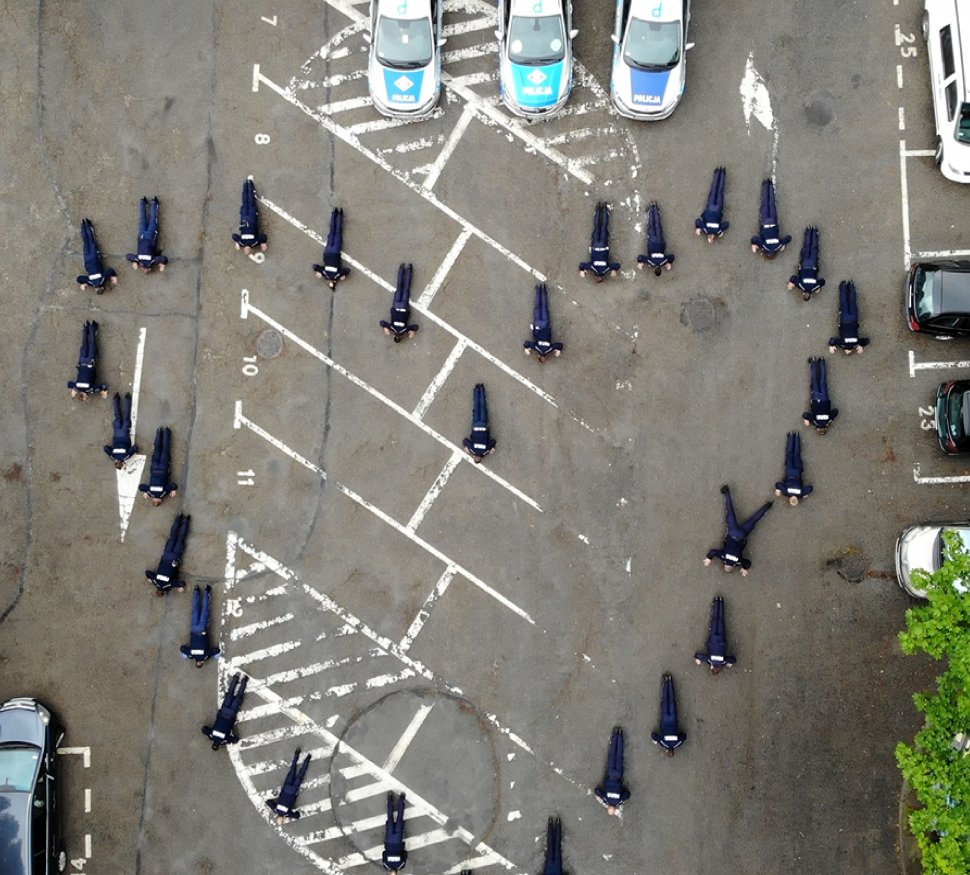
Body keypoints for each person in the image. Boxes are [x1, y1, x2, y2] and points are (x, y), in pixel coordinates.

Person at [704, 484, 772, 575]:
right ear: (725, 564)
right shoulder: (723, 556)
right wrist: (709, 558)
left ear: (733, 567)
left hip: (742, 536)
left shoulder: (738, 561)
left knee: (754, 520)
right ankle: (726, 492)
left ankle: (768, 506)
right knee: (730, 512)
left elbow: (748, 563)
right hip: (732, 532)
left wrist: (744, 569)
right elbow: (713, 552)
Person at [145, 513, 190, 594]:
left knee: (181, 539)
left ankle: (186, 520)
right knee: (172, 536)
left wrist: (180, 587)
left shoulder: (168, 585)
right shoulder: (155, 581)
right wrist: (149, 579)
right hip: (166, 555)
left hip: (175, 558)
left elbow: (181, 583)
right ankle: (179, 518)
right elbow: (147, 572)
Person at [202, 672, 247, 749]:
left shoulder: (223, 740)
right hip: (223, 712)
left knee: (238, 697)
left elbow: (235, 740)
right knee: (230, 693)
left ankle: (244, 680)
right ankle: (236, 677)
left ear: (219, 745)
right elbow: (204, 729)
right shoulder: (211, 736)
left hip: (231, 716)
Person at [266, 748, 312, 823]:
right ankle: (296, 754)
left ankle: (307, 759)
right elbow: (268, 802)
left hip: (293, 791)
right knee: (292, 771)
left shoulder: (287, 813)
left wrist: (288, 815)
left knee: (301, 775)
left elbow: (297, 815)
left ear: (283, 819)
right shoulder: (276, 809)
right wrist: (275, 807)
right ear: (277, 816)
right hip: (286, 788)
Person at [578, 202, 620, 282]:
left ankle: (603, 209)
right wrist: (582, 270)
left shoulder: (605, 269)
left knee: (602, 227)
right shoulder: (592, 268)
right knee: (598, 227)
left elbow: (617, 265)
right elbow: (582, 265)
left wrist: (613, 270)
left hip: (602, 246)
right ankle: (599, 210)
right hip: (596, 246)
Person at [125, 196, 168, 273]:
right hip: (142, 237)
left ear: (150, 268)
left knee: (153, 220)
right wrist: (134, 262)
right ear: (141, 267)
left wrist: (163, 264)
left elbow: (163, 259)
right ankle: (142, 202)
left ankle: (154, 202)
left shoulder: (152, 261)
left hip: (150, 237)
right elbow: (128, 256)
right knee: (142, 219)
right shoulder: (138, 259)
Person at [180, 585, 220, 666]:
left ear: (201, 662)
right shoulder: (192, 654)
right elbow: (182, 648)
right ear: (195, 662)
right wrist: (187, 656)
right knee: (195, 609)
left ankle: (206, 590)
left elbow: (216, 650)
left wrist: (215, 656)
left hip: (202, 630)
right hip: (194, 630)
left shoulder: (205, 655)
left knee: (205, 609)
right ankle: (196, 590)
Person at [593, 727, 631, 815]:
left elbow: (627, 794)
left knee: (619, 756)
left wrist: (621, 801)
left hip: (618, 776)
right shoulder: (606, 799)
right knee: (612, 756)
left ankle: (620, 735)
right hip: (610, 775)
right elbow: (597, 791)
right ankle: (615, 735)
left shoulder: (619, 801)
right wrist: (602, 800)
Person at [750, 179, 792, 257]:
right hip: (765, 222)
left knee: (772, 204)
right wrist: (753, 244)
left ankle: (770, 184)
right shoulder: (764, 246)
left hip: (773, 222)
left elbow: (789, 238)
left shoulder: (777, 246)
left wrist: (783, 245)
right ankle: (766, 184)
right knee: (765, 204)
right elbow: (754, 238)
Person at [694, 596, 736, 673]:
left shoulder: (722, 661)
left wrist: (730, 663)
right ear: (712, 667)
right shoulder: (710, 660)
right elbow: (699, 655)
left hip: (721, 640)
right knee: (715, 621)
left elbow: (733, 659)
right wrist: (697, 659)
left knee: (720, 621)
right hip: (713, 640)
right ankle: (717, 601)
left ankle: (721, 602)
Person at [68, 321, 109, 400]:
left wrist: (104, 391)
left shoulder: (90, 389)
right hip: (82, 361)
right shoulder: (76, 386)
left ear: (85, 396)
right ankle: (86, 327)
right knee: (85, 344)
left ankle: (92, 327)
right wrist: (73, 390)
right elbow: (69, 384)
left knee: (92, 345)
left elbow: (103, 386)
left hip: (90, 361)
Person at [523, 283, 563, 361]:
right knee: (538, 307)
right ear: (538, 356)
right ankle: (538, 289)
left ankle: (543, 289)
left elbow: (560, 345)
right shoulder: (537, 348)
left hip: (546, 325)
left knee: (544, 307)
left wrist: (558, 350)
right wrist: (526, 349)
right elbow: (526, 343)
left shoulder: (549, 349)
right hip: (538, 326)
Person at [380, 264, 419, 342]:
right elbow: (382, 322)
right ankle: (403, 269)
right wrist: (385, 328)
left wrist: (413, 331)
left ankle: (407, 269)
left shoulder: (403, 330)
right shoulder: (396, 329)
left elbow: (415, 327)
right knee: (401, 288)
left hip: (400, 306)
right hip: (399, 306)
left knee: (404, 288)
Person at [829, 280, 870, 355]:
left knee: (852, 302)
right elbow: (832, 340)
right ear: (846, 350)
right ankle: (843, 286)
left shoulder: (856, 342)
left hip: (854, 320)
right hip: (844, 320)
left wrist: (861, 346)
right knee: (844, 302)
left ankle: (851, 285)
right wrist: (831, 346)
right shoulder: (842, 343)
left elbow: (867, 341)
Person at [76, 219, 118, 292]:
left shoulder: (102, 279)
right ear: (95, 289)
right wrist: (84, 284)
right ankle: (83, 226)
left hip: (95, 259)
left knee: (91, 241)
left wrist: (113, 276)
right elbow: (79, 278)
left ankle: (87, 225)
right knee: (86, 243)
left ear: (102, 288)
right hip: (87, 261)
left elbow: (110, 271)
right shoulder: (91, 282)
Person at [313, 207, 350, 289]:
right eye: (332, 284)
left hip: (328, 251)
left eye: (329, 284)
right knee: (337, 232)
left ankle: (334, 213)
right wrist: (343, 275)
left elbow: (315, 266)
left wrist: (317, 271)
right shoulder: (337, 276)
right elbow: (347, 270)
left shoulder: (325, 274)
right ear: (334, 282)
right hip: (335, 252)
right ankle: (340, 214)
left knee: (332, 231)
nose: (329, 282)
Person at [139, 426, 177, 505]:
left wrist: (174, 490)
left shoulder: (163, 493)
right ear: (153, 499)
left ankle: (166, 432)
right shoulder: (150, 492)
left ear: (160, 501)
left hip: (163, 469)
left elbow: (173, 485)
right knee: (157, 449)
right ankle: (159, 432)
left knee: (165, 450)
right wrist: (146, 492)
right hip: (154, 468)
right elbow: (141, 487)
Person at [650, 674, 686, 755]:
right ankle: (666, 682)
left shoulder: (677, 744)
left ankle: (669, 681)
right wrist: (655, 740)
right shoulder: (664, 743)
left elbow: (684, 736)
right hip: (665, 719)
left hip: (673, 719)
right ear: (667, 751)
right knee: (665, 701)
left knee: (672, 701)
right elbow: (654, 735)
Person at [775, 431, 813, 505]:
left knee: (797, 454)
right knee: (789, 454)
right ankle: (791, 436)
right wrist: (778, 490)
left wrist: (804, 495)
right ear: (789, 499)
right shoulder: (786, 492)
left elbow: (810, 488)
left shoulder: (800, 493)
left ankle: (797, 436)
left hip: (798, 472)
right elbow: (778, 484)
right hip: (789, 472)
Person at [637, 201, 675, 275]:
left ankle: (655, 208)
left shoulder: (663, 261)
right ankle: (651, 208)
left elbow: (672, 257)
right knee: (651, 226)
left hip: (660, 244)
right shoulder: (651, 262)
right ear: (654, 269)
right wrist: (640, 263)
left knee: (658, 227)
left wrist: (669, 263)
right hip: (652, 244)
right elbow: (640, 257)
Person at [232, 178, 268, 253]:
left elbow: (234, 236)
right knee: (251, 203)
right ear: (251, 249)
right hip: (252, 220)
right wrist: (263, 243)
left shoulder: (241, 242)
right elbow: (263, 236)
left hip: (244, 220)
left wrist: (237, 243)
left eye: (246, 250)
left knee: (245, 203)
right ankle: (250, 184)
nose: (247, 250)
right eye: (248, 250)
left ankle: (245, 184)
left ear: (244, 249)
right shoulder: (254, 243)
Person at [803, 357, 839, 434]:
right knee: (815, 380)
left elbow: (835, 411)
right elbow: (805, 415)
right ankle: (813, 362)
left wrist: (831, 419)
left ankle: (822, 361)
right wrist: (806, 420)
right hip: (816, 399)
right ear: (818, 429)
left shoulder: (828, 421)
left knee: (823, 381)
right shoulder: (815, 422)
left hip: (825, 399)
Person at [462, 383, 496, 463]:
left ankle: (481, 388)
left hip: (484, 426)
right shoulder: (472, 450)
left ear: (481, 458)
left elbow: (493, 441)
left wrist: (492, 448)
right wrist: (466, 447)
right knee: (476, 407)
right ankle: (477, 389)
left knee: (483, 407)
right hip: (476, 426)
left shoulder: (485, 451)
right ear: (474, 457)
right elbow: (465, 440)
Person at [788, 226, 825, 300]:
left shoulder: (814, 287)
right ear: (804, 293)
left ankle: (814, 231)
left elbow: (822, 281)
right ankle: (808, 231)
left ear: (810, 295)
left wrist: (818, 288)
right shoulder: (801, 286)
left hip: (813, 265)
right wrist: (791, 283)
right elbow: (793, 278)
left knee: (814, 248)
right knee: (807, 248)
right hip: (804, 265)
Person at [103, 392, 138, 467]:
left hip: (125, 433)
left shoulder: (125, 457)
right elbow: (105, 448)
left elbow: (135, 448)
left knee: (126, 416)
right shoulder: (113, 456)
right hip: (117, 433)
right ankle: (116, 399)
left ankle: (127, 398)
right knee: (117, 415)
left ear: (122, 463)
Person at [695, 167, 729, 242]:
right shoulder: (705, 229)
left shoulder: (717, 231)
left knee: (720, 191)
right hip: (710, 209)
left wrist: (720, 231)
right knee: (713, 190)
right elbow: (697, 221)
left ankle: (722, 173)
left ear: (713, 237)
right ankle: (717, 172)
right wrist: (698, 228)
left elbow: (726, 224)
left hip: (718, 210)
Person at [382, 792, 407, 871]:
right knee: (399, 819)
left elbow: (384, 853)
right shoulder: (400, 865)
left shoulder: (386, 865)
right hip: (398, 840)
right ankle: (401, 801)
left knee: (390, 819)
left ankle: (390, 801)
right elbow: (405, 854)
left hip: (389, 840)